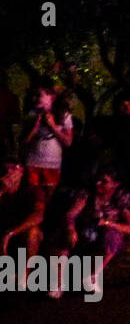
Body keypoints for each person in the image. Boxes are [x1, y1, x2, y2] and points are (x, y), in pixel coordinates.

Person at [2, 86, 74, 257]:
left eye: (40, 95)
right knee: (33, 196)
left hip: (52, 166)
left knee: (45, 203)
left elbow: (68, 142)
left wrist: (53, 126)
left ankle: (40, 236)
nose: (36, 99)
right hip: (33, 163)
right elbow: (23, 141)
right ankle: (29, 231)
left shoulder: (64, 116)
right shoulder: (32, 115)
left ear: (51, 97)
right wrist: (34, 126)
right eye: (35, 95)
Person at [46, 165, 130, 296]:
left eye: (104, 181)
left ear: (115, 184)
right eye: (97, 179)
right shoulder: (87, 193)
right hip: (83, 228)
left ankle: (91, 277)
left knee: (113, 238)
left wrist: (107, 223)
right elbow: (70, 214)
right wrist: (71, 228)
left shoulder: (123, 196)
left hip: (105, 230)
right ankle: (58, 283)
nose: (98, 183)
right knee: (62, 236)